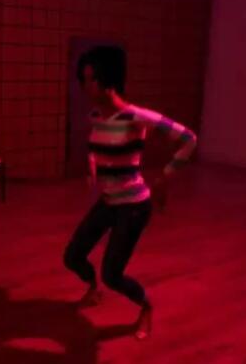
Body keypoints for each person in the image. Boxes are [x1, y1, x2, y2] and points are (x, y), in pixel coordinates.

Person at [62, 46, 197, 340]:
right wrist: (92, 165)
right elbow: (95, 148)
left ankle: (146, 307)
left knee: (113, 274)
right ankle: (93, 289)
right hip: (109, 201)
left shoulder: (136, 117)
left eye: (91, 79)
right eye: (83, 79)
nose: (85, 86)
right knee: (72, 256)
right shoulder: (96, 116)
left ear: (107, 80)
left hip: (134, 205)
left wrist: (164, 177)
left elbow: (189, 139)